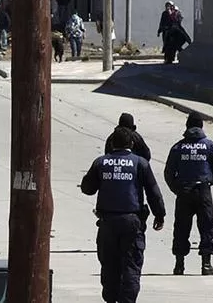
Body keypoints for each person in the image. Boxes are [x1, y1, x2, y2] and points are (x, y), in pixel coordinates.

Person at [81, 127, 166, 303]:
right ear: (132, 144)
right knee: (131, 266)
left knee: (109, 265)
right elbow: (153, 192)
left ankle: (111, 299)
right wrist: (160, 215)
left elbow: (87, 189)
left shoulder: (101, 162)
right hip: (132, 222)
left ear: (112, 144)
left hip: (107, 223)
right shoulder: (140, 163)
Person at [163, 113, 213, 276]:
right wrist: (210, 182)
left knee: (181, 227)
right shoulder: (210, 146)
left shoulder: (178, 147)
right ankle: (206, 264)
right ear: (201, 126)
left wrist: (177, 188)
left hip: (184, 191)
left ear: (187, 127)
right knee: (207, 226)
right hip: (202, 190)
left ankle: (179, 265)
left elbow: (169, 172)